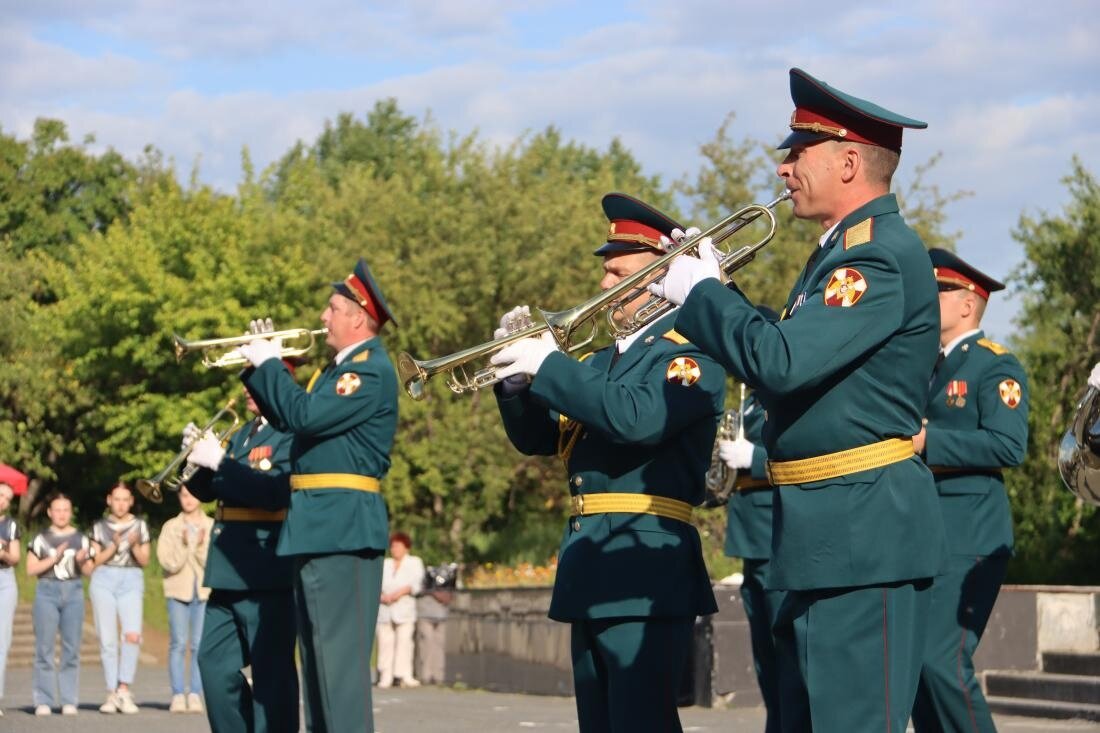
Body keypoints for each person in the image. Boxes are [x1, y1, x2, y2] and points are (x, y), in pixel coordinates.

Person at [654, 68, 947, 731]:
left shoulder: (873, 258)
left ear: (849, 161)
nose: (783, 168)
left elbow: (779, 363)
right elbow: (791, 355)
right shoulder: (834, 260)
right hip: (826, 535)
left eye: (798, 151)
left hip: (863, 538)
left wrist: (705, 294)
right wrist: (718, 291)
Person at [488, 193, 724, 732]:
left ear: (655, 281)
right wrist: (516, 383)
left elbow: (636, 419)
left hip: (646, 561)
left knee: (640, 721)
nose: (602, 284)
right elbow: (542, 440)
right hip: (592, 561)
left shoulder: (690, 354)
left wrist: (550, 364)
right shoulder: (600, 363)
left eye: (617, 271)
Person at [189, 257, 400, 732]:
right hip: (319, 529)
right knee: (322, 679)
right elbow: (291, 416)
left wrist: (268, 365)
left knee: (338, 680)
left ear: (357, 317)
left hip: (340, 529)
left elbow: (302, 417)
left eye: (332, 309)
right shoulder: (334, 372)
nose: (323, 318)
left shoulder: (364, 372)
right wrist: (258, 369)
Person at [910, 249, 1029, 732]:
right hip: (924, 531)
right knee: (917, 666)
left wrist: (928, 441)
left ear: (967, 304)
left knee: (942, 660)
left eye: (938, 291)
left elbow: (1008, 444)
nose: (927, 299)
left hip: (970, 534)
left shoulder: (993, 366)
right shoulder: (924, 367)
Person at [186, 382, 298, 732]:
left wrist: (219, 462)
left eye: (257, 380)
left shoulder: (290, 434)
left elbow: (272, 494)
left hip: (267, 570)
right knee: (213, 667)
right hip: (227, 570)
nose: (248, 389)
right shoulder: (241, 435)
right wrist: (195, 462)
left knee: (271, 677)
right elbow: (209, 491)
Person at [716, 360, 781, 732]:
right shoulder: (750, 402)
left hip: (772, 532)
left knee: (780, 648)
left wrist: (752, 457)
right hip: (750, 537)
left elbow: (798, 453)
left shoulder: (779, 398)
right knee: (765, 656)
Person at [27, 491, 95, 716]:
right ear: (49, 512)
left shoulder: (81, 538)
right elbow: (30, 569)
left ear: (70, 511)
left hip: (73, 591)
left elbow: (89, 571)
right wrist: (53, 558)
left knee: (71, 648)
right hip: (47, 590)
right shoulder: (40, 539)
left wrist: (81, 560)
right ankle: (43, 699)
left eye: (65, 510)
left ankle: (68, 699)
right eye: (57, 510)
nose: (61, 514)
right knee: (44, 648)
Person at [88, 481, 152, 714]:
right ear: (109, 500)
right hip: (104, 579)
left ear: (131, 501)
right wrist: (113, 546)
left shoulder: (140, 526)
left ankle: (124, 687)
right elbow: (93, 561)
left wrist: (134, 546)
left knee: (132, 635)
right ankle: (111, 692)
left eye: (126, 499)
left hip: (131, 578)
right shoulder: (99, 527)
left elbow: (145, 561)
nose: (121, 504)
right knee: (107, 638)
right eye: (117, 499)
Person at [157, 485, 214, 714]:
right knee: (178, 643)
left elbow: (211, 563)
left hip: (202, 591)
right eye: (184, 495)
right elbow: (167, 561)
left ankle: (195, 693)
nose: (189, 500)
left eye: (193, 494)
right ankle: (178, 693)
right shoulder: (171, 526)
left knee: (199, 644)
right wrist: (183, 545)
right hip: (177, 591)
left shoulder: (210, 525)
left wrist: (199, 546)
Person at [377, 532, 425, 688]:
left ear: (406, 547)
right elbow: (377, 584)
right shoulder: (385, 564)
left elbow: (416, 584)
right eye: (392, 546)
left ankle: (404, 674)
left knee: (404, 642)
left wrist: (399, 593)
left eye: (398, 546)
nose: (395, 549)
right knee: (385, 642)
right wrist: (383, 597)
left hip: (404, 608)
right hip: (385, 609)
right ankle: (385, 675)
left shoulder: (414, 562)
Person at [415, 564, 456, 686]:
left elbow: (451, 593)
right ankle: (425, 675)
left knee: (439, 645)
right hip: (426, 614)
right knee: (427, 644)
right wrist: (433, 592)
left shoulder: (450, 573)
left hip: (441, 615)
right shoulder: (425, 574)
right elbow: (420, 589)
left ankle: (438, 675)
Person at [0, 482, 20, 717]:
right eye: (0, 494)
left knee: (2, 641)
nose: (2, 499)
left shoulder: (11, 525)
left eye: (7, 497)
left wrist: (3, 553)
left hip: (4, 578)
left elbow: (14, 557)